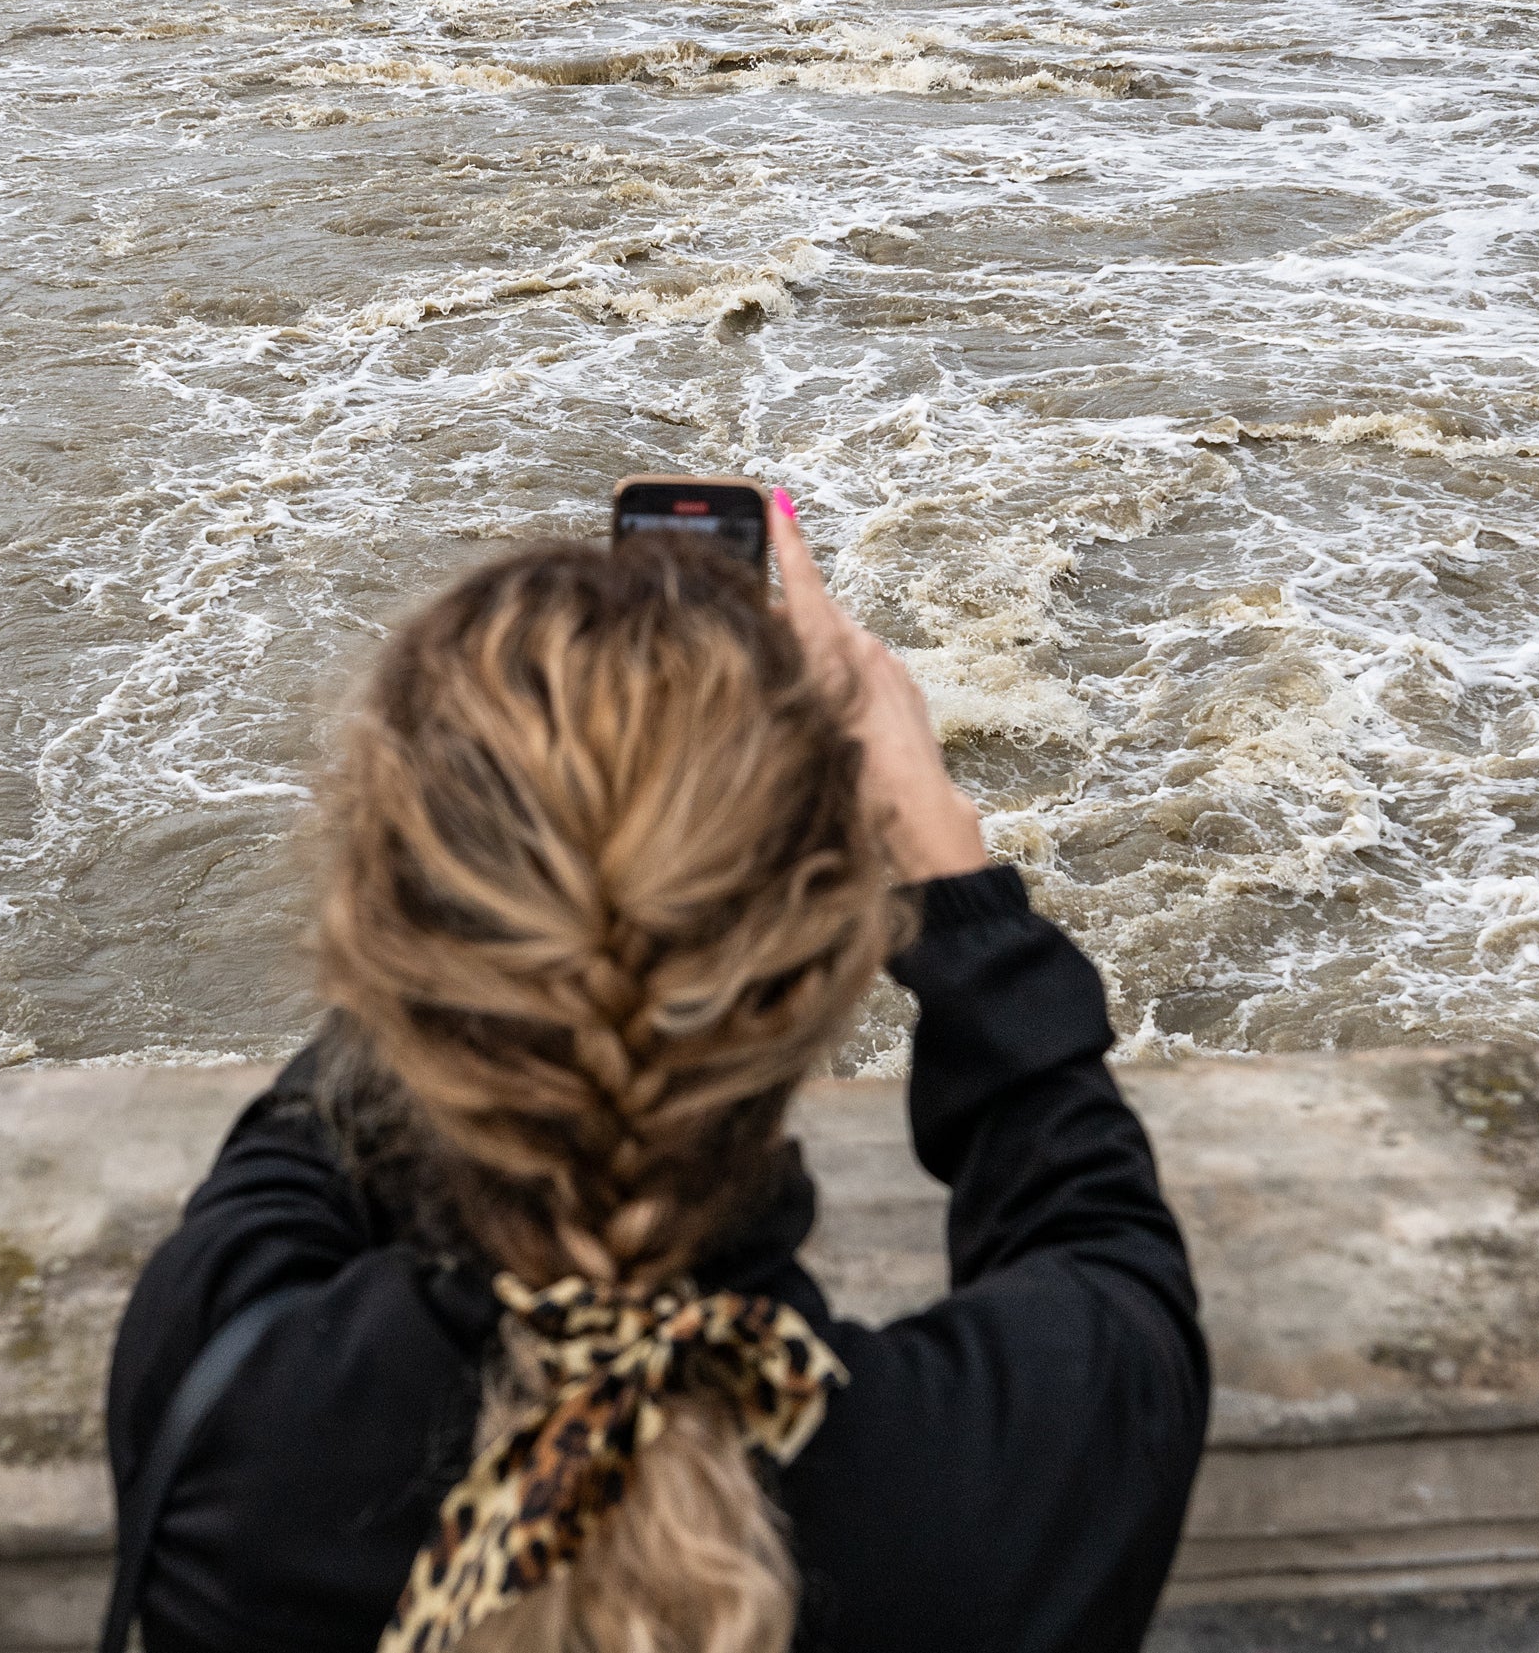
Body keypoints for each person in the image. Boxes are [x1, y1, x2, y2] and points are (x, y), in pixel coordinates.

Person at [106, 496, 1206, 1653]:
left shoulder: (226, 1392)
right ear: (827, 964)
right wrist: (946, 863)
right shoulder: (1027, 1467)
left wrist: (521, 857)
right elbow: (1093, 1217)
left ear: (388, 939)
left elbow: (313, 1128)